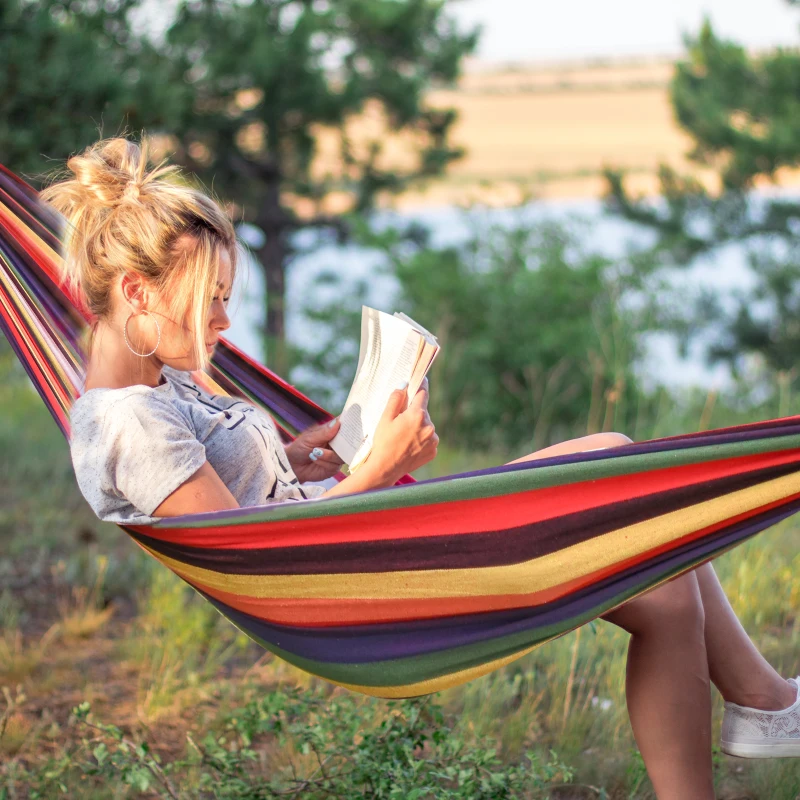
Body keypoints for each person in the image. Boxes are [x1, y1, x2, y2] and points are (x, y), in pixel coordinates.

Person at [47, 138, 799, 800]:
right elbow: (256, 549)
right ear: (139, 295)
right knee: (648, 549)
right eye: (206, 303)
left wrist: (302, 452)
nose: (223, 323)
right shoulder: (129, 423)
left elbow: (250, 494)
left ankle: (760, 703)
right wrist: (377, 467)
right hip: (360, 580)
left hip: (372, 538)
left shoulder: (157, 376)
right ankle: (760, 706)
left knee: (622, 474)